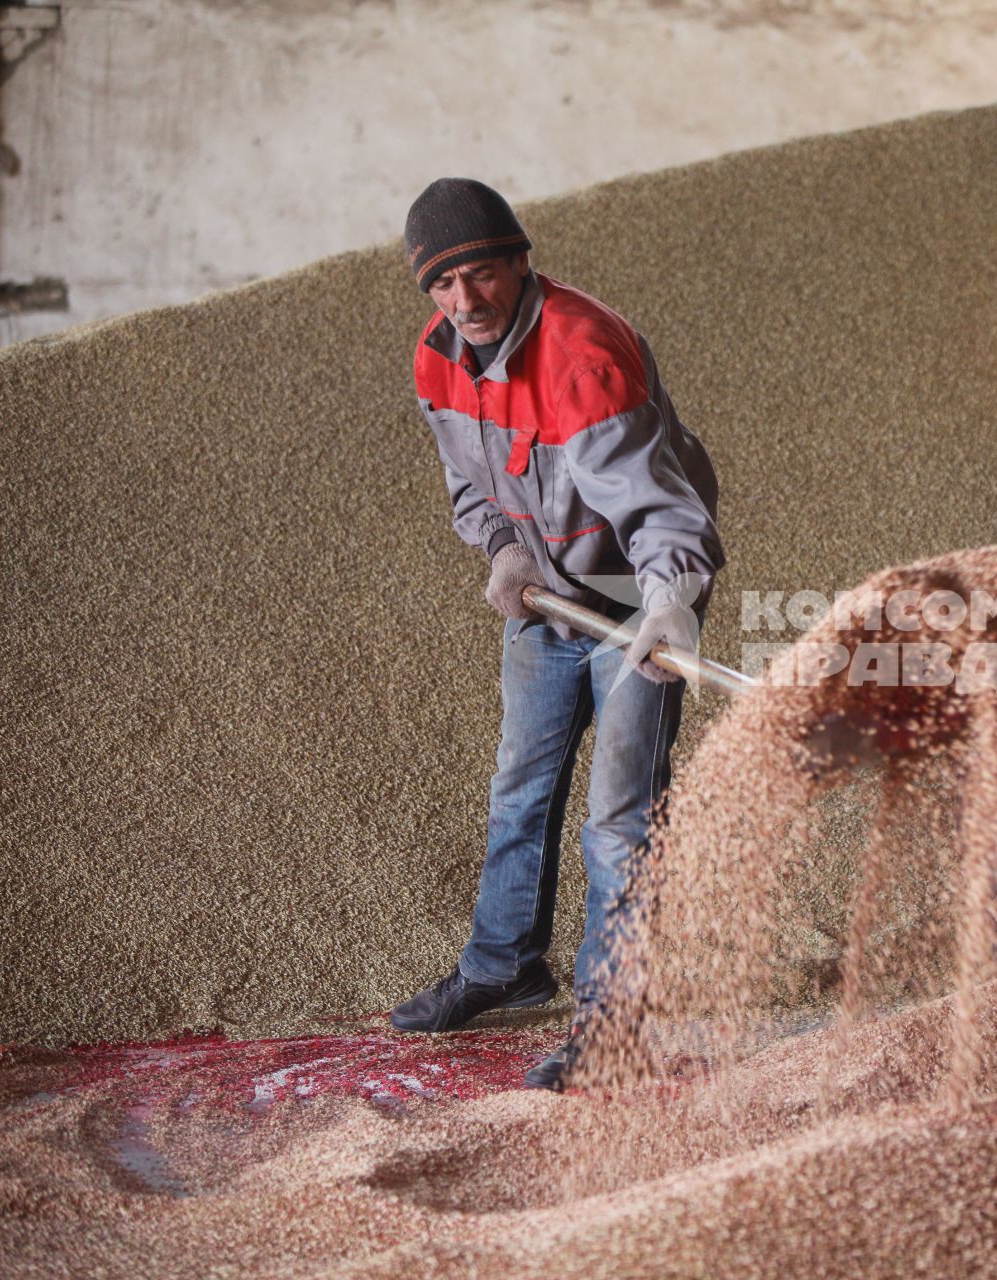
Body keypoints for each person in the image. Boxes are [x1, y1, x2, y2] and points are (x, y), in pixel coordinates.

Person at [388, 178, 724, 1091]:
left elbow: (665, 514)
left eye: (484, 274)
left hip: (634, 599)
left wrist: (666, 608)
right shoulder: (437, 359)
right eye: (444, 285)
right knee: (519, 787)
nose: (467, 302)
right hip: (545, 596)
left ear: (521, 262)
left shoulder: (582, 355)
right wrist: (501, 547)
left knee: (618, 822)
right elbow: (470, 483)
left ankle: (612, 1027)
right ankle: (504, 967)